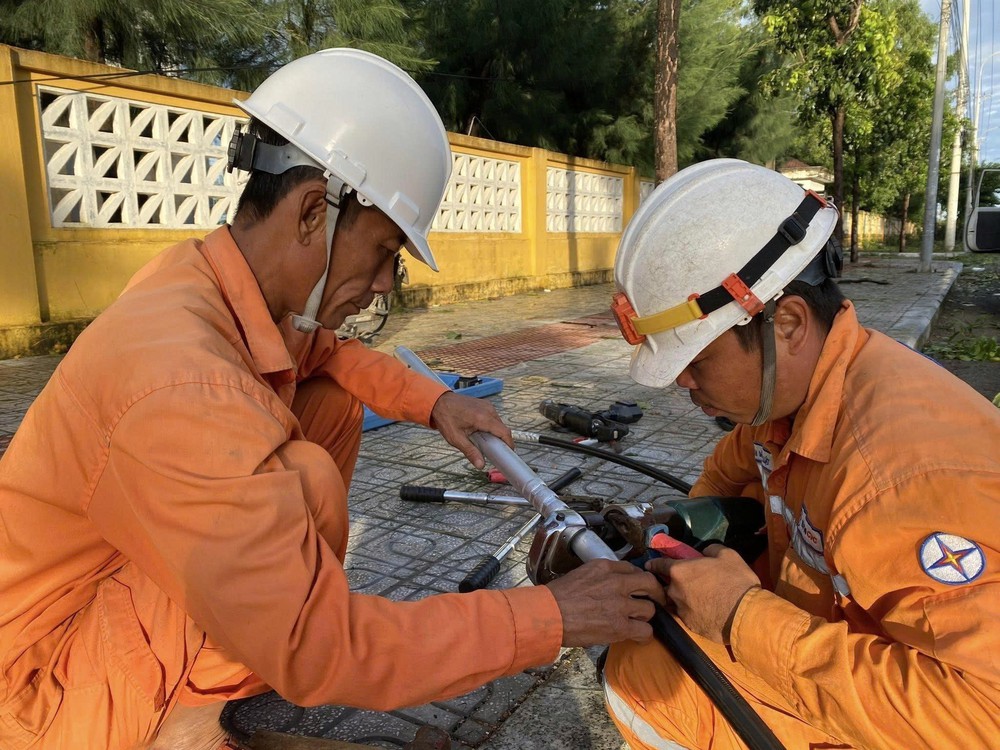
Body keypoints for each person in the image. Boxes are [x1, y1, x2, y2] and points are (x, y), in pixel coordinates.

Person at [0, 49, 665, 750]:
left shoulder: (206, 285)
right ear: (313, 211)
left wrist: (437, 403)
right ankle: (180, 726)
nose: (383, 284)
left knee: (327, 404)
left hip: (87, 606)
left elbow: (329, 355)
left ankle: (224, 662)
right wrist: (551, 616)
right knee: (305, 482)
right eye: (383, 252)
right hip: (41, 692)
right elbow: (321, 644)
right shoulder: (183, 386)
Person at [604, 159, 1000, 749]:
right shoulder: (794, 401)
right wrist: (674, 545)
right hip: (839, 643)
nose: (682, 382)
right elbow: (727, 472)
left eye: (696, 360)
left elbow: (982, 716)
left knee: (646, 681)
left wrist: (740, 618)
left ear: (786, 323)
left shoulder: (897, 479)